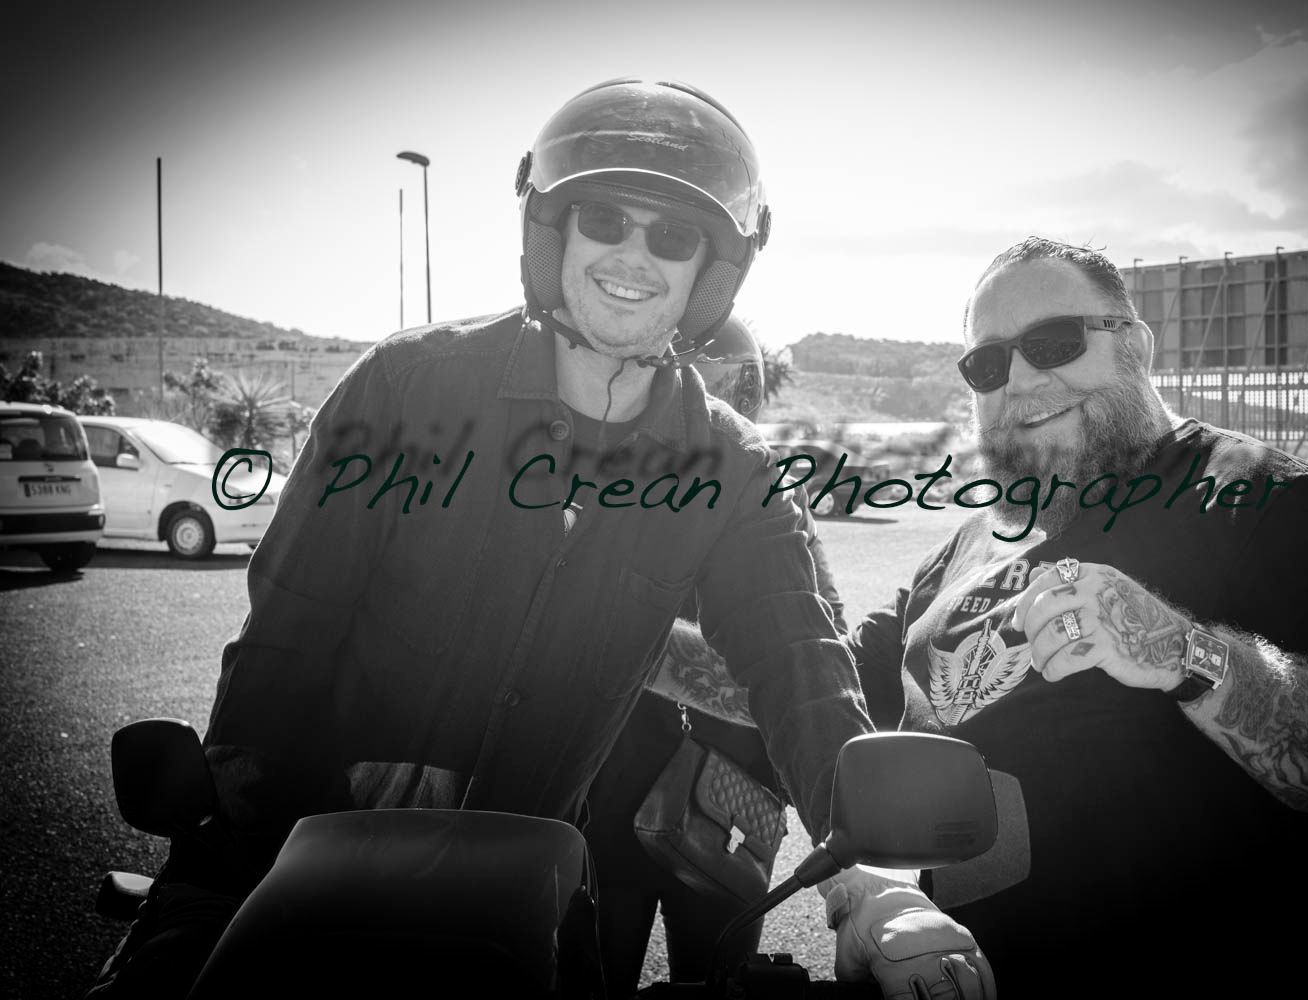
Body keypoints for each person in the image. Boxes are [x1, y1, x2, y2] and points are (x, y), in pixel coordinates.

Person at [88, 78, 988, 999]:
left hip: (530, 902)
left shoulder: (729, 464)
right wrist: (216, 858)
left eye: (672, 235)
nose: (633, 254)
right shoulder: (406, 390)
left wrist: (869, 886)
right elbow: (284, 640)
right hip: (289, 867)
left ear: (711, 272)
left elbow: (799, 658)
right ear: (551, 232)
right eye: (603, 217)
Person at [845, 237, 1308, 996]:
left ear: (1135, 345)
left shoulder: (1263, 500)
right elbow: (808, 678)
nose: (1022, 377)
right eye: (988, 362)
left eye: (1054, 342)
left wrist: (1185, 655)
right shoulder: (969, 545)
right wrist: (652, 637)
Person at [584, 317, 849, 996]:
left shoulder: (767, 492)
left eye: (739, 385)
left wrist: (634, 645)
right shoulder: (605, 489)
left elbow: (820, 654)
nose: (720, 404)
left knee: (723, 982)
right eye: (702, 382)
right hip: (606, 802)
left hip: (733, 803)